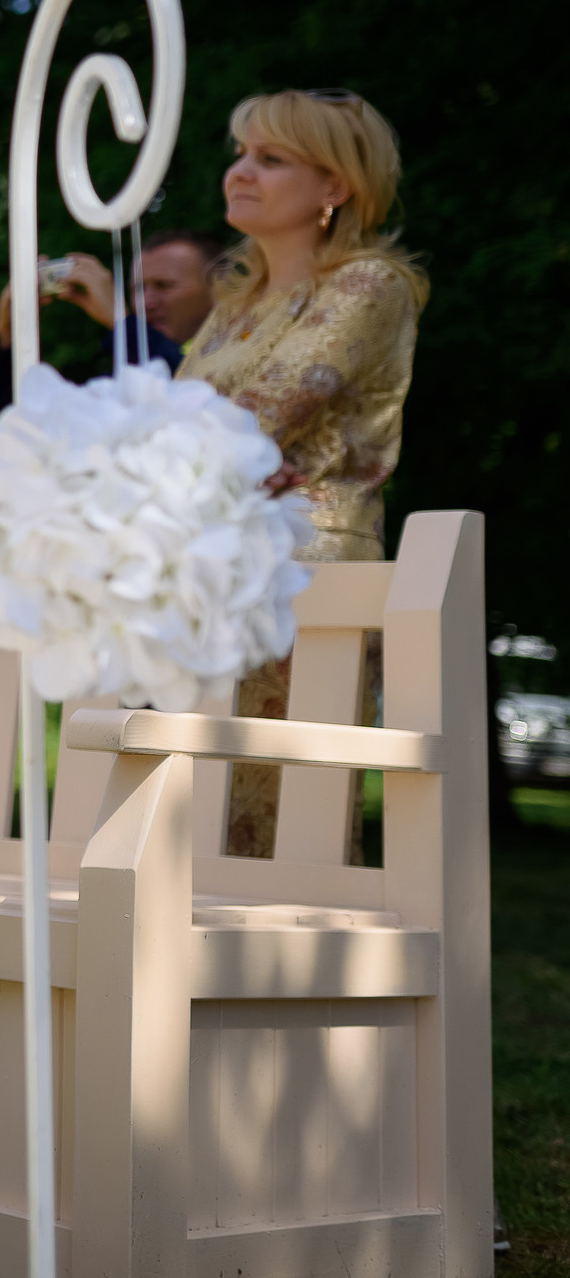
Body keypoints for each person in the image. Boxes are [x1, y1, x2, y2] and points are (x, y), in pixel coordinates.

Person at [179, 90, 427, 856]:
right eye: (240, 154)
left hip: (305, 586)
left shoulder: (367, 283)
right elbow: (181, 435)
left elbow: (251, 422)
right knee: (193, 822)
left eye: (271, 158)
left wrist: (222, 451)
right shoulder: (234, 302)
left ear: (335, 186)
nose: (240, 171)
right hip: (205, 575)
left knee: (288, 833)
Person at [0, 232, 220, 422]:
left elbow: (189, 388)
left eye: (164, 286)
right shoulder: (120, 378)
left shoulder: (235, 358)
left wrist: (120, 320)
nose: (145, 302)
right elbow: (19, 433)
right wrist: (8, 337)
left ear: (218, 290)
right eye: (137, 289)